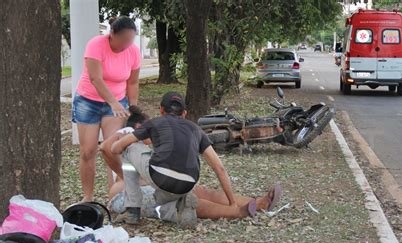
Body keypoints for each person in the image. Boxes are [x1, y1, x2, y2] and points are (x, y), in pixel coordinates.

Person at [110, 92, 282, 227]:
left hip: (159, 181)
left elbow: (113, 148)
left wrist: (129, 145)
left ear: (161, 110)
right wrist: (231, 202)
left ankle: (255, 204)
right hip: (185, 181)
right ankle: (238, 209)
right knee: (195, 198)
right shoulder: (194, 129)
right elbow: (219, 168)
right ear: (184, 113)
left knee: (200, 194)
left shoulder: (152, 126)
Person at [72, 16, 141, 202]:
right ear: (112, 35)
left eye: (131, 40)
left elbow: (133, 82)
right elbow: (96, 79)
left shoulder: (133, 52)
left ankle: (118, 192)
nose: (128, 44)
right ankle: (88, 197)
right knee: (88, 151)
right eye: (124, 40)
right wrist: (113, 102)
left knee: (113, 148)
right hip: (88, 101)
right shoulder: (96, 45)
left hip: (117, 103)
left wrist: (132, 107)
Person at [99, 105, 150, 199]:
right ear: (139, 126)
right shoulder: (129, 133)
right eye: (150, 131)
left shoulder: (128, 134)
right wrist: (122, 173)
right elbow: (104, 147)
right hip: (124, 184)